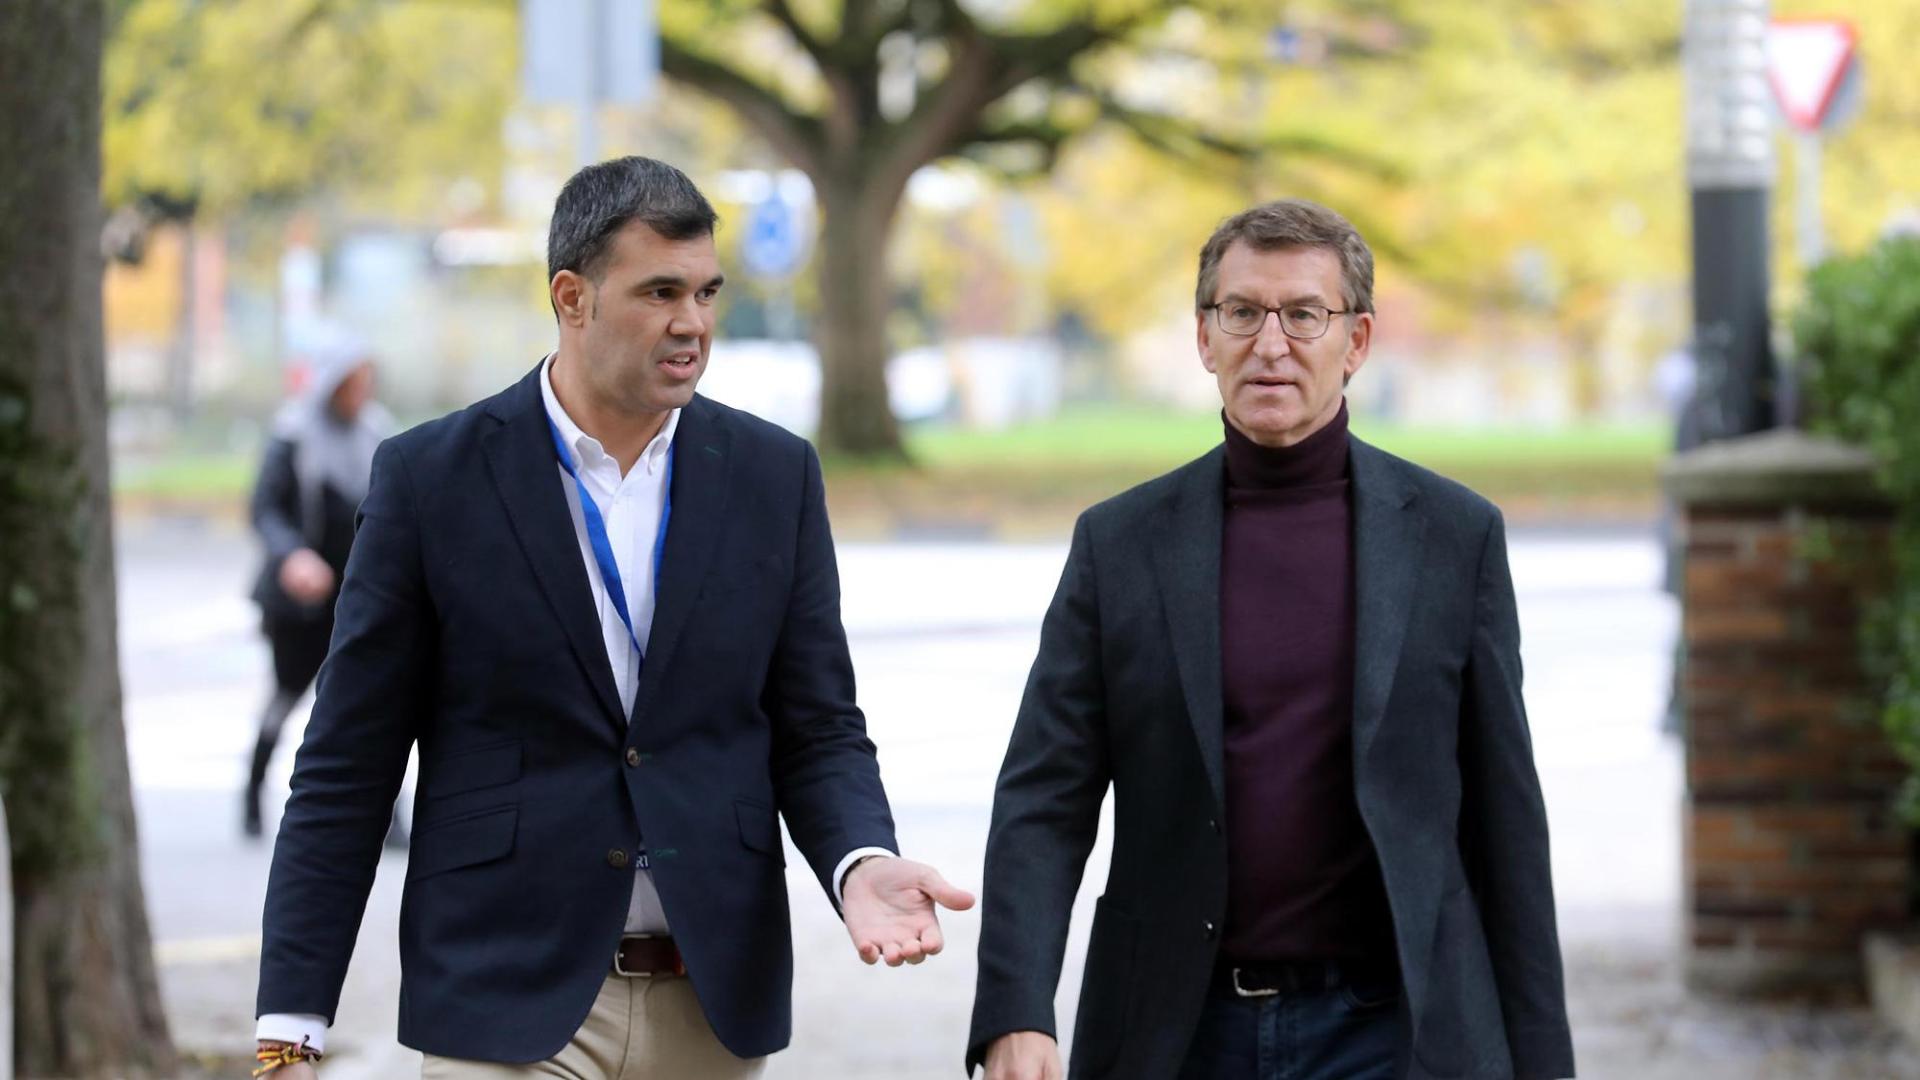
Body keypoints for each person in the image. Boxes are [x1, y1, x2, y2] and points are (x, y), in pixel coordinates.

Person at [252, 157, 972, 1079]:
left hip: (709, 1000)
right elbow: (348, 763)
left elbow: (817, 726)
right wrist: (290, 1025)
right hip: (505, 995)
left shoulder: (772, 477)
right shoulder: (431, 479)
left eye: (708, 291)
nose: (694, 323)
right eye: (661, 291)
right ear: (572, 297)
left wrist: (860, 860)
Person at [968, 200, 1574, 1080]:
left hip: (1395, 1033)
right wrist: (1015, 1009)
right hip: (1178, 1032)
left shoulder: (1454, 537)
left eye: (1304, 315)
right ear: (1206, 338)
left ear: (1356, 342)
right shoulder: (1121, 544)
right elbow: (1044, 796)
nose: (1271, 343)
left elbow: (1505, 824)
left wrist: (1543, 1062)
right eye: (1242, 312)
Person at [243, 330, 394, 841]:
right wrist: (292, 556)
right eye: (351, 384)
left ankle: (389, 818)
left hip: (357, 599)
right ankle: (252, 794)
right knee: (286, 697)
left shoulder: (378, 437)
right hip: (299, 602)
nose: (360, 394)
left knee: (375, 704)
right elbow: (264, 508)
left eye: (365, 383)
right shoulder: (293, 436)